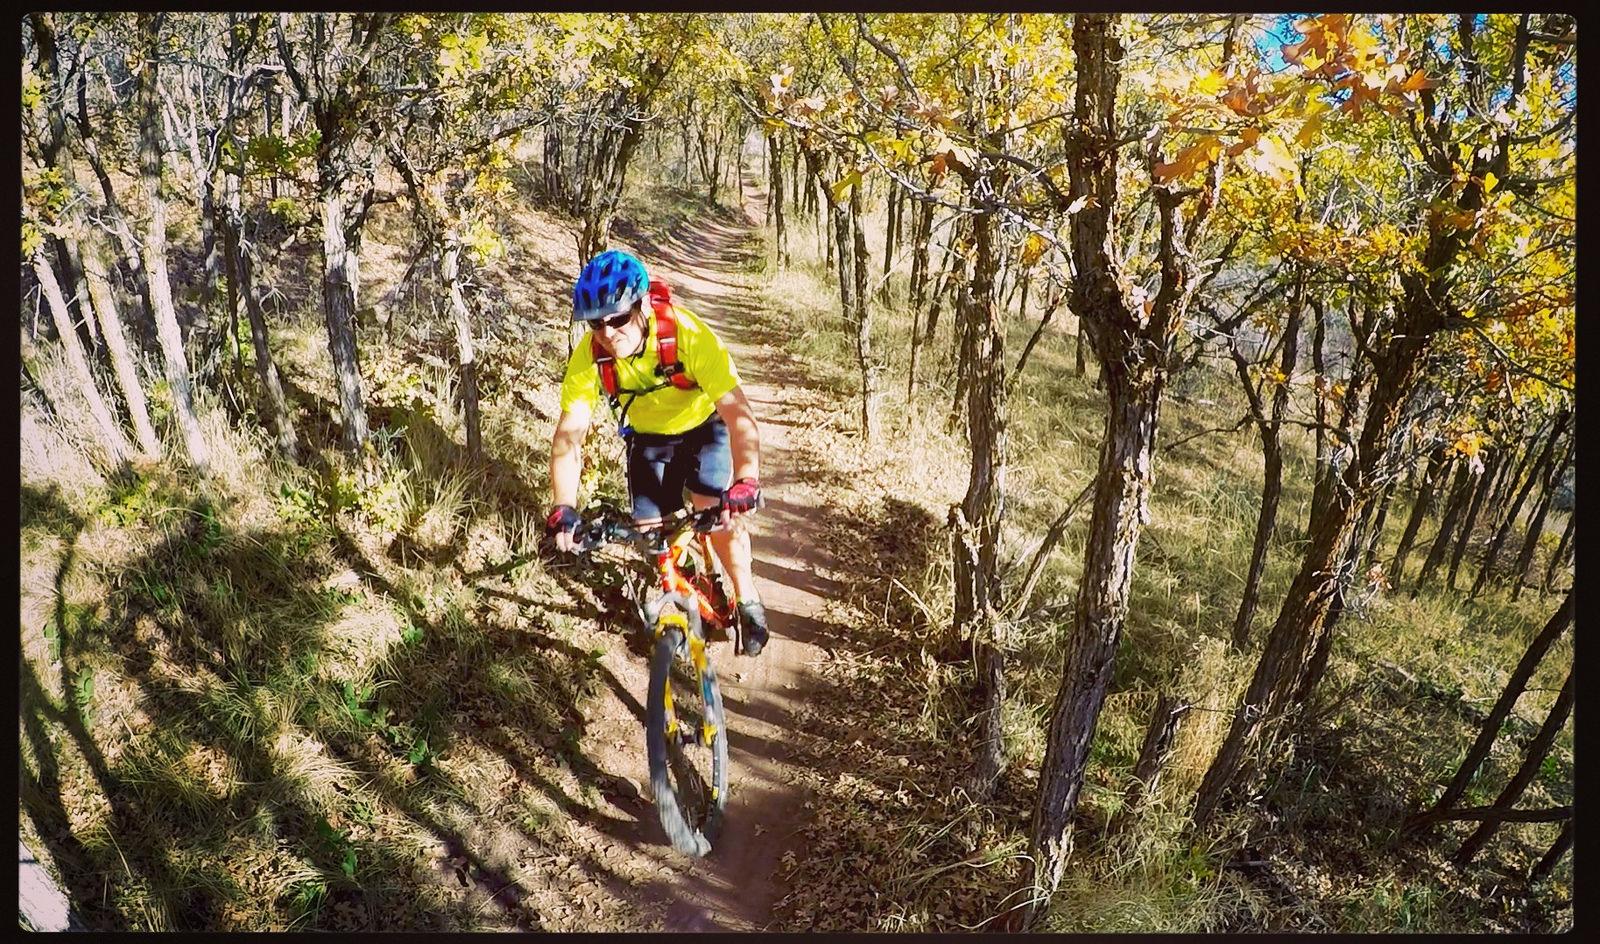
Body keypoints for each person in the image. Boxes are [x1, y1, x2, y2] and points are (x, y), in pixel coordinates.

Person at [545, 249, 769, 656]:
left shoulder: (688, 336)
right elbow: (569, 437)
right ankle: (679, 594)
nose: (608, 333)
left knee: (715, 514)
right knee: (651, 532)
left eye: (618, 318)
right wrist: (564, 506)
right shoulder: (590, 357)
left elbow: (739, 417)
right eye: (596, 323)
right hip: (648, 440)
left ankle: (748, 598)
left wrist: (747, 480)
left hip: (704, 428)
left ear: (644, 305)